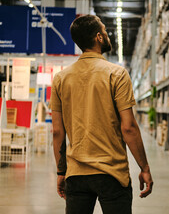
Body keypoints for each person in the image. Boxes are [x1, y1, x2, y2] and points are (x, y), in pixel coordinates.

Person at [50, 14, 153, 214]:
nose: (107, 35)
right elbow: (129, 127)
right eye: (104, 31)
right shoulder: (117, 74)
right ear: (98, 37)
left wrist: (61, 171)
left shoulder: (61, 79)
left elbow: (57, 131)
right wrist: (145, 168)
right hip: (112, 174)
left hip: (76, 174)